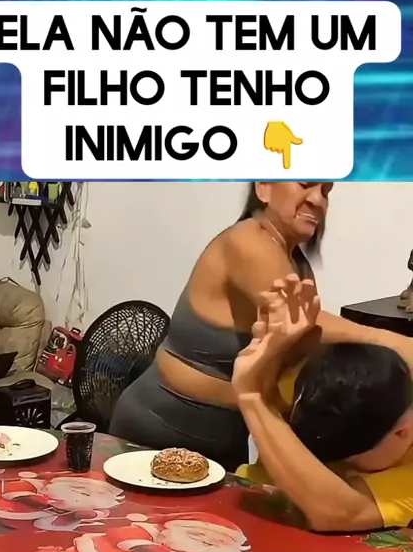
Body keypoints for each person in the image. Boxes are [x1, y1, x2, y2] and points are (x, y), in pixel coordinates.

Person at [110, 181, 413, 471]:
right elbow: (302, 319)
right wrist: (395, 342)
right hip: (157, 428)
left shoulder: (298, 265)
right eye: (305, 185)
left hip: (225, 439)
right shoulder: (246, 241)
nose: (318, 200)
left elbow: (302, 342)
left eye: (326, 191)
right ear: (263, 187)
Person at [233, 274, 413, 532]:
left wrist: (251, 397)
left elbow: (340, 513)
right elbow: (306, 328)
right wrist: (276, 344)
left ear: (402, 432)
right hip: (248, 502)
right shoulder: (319, 380)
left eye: (352, 455)